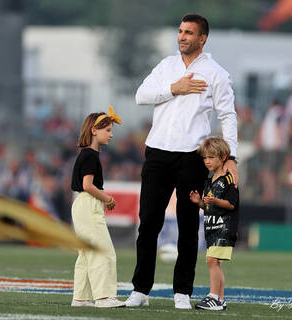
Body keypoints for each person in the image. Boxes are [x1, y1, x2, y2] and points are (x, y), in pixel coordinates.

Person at [125, 14, 238, 309]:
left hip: (192, 155)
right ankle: (140, 289)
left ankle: (182, 292)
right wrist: (173, 88)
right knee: (149, 222)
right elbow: (141, 96)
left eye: (189, 32)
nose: (182, 36)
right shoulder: (166, 66)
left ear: (202, 39)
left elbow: (228, 116)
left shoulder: (216, 74)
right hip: (157, 152)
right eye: (180, 31)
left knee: (189, 225)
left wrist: (231, 158)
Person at [70, 105, 125, 308]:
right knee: (103, 251)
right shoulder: (91, 155)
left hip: (81, 205)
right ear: (94, 130)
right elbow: (87, 185)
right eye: (108, 130)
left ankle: (81, 298)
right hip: (88, 204)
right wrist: (107, 198)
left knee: (86, 253)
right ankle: (103, 297)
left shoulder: (86, 154)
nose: (111, 135)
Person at [190, 137, 239, 311]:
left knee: (212, 260)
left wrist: (215, 200)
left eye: (211, 157)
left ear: (223, 156)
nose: (207, 161)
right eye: (205, 158)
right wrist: (200, 203)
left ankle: (213, 296)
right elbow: (209, 207)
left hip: (224, 228)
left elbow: (231, 204)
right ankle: (220, 299)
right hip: (212, 228)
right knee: (214, 262)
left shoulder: (228, 180)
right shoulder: (208, 182)